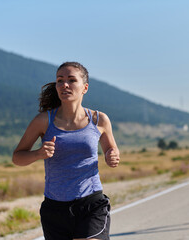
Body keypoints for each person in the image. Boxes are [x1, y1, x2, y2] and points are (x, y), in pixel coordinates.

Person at [12, 61, 120, 240]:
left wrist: (112, 155)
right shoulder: (43, 121)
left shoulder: (99, 120)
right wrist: (39, 153)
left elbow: (111, 149)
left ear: (84, 87)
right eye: (60, 80)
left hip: (90, 203)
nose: (64, 85)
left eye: (71, 80)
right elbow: (17, 157)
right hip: (55, 209)